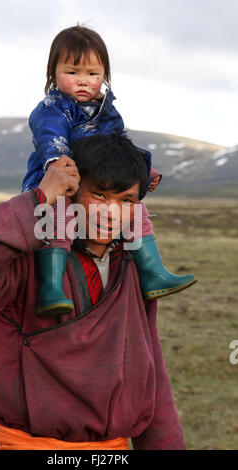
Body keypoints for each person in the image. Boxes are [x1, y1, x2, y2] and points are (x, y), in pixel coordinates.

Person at [0, 133, 186, 450]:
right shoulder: (27, 261)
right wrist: (38, 200)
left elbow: (148, 366)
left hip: (112, 448)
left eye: (125, 200)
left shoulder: (131, 263)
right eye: (99, 195)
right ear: (70, 193)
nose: (110, 212)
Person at [21, 25, 197, 317]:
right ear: (53, 72)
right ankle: (51, 286)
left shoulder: (106, 110)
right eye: (73, 72)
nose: (83, 81)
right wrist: (57, 166)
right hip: (58, 182)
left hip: (98, 182)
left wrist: (140, 170)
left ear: (104, 75)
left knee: (135, 210)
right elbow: (51, 138)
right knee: (59, 216)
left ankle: (152, 272)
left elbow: (119, 145)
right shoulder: (52, 108)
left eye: (93, 74)